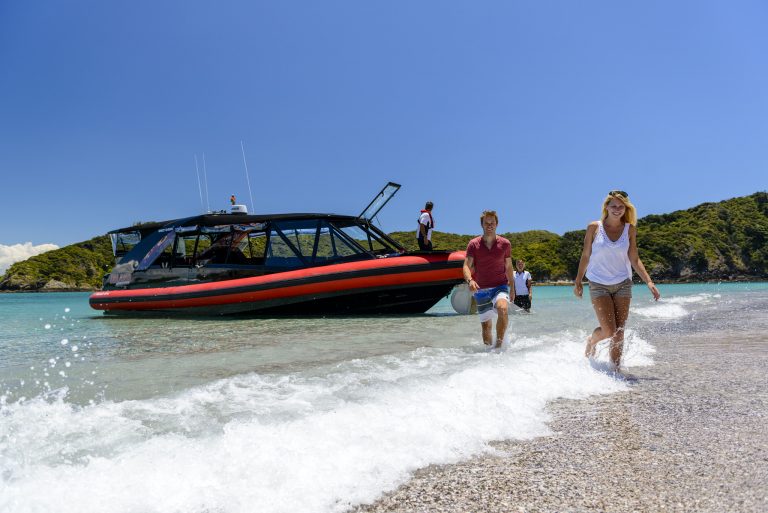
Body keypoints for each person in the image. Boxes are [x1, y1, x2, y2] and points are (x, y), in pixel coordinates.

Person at [573, 190, 661, 371]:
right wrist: (578, 280)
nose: (617, 209)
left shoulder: (630, 229)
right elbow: (585, 255)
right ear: (606, 207)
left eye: (621, 206)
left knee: (619, 332)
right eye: (613, 205)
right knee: (609, 331)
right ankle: (592, 341)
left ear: (626, 208)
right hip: (598, 284)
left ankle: (616, 371)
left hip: (623, 283)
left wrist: (649, 282)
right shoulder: (594, 227)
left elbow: (634, 258)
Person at [463, 210, 516, 348]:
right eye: (486, 223)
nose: (489, 225)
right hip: (481, 289)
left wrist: (513, 288)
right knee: (486, 327)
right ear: (482, 225)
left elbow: (509, 267)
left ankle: (499, 346)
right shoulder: (473, 244)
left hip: (500, 286)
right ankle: (488, 356)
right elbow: (466, 266)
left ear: (497, 224)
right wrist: (470, 280)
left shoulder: (505, 244)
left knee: (502, 309)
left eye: (492, 222)